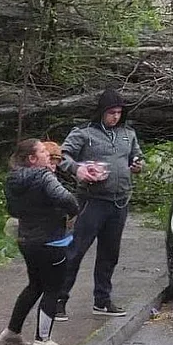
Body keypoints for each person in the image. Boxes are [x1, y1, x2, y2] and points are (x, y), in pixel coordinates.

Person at [55, 89, 144, 320]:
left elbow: (136, 156)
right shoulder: (84, 133)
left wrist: (136, 164)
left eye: (118, 112)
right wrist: (79, 169)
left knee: (109, 253)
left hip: (119, 200)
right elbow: (62, 157)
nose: (115, 117)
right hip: (92, 201)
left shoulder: (128, 134)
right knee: (76, 251)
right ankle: (58, 300)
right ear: (101, 112)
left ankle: (102, 300)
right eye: (111, 112)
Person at [0, 139, 80, 345]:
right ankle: (43, 340)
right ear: (32, 159)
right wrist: (72, 212)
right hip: (51, 241)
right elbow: (65, 198)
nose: (48, 154)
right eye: (43, 151)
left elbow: (13, 210)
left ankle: (12, 333)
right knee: (53, 287)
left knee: (35, 285)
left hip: (27, 240)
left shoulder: (12, 179)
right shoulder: (43, 176)